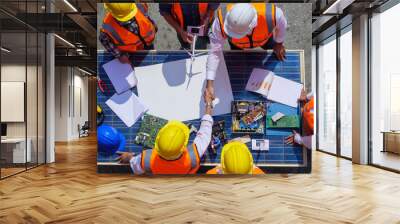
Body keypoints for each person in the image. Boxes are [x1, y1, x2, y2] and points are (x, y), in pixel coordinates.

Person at [117, 90, 215, 174]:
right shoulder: (193, 155)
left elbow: (135, 166)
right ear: (183, 146)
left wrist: (129, 158)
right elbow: (206, 129)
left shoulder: (146, 160)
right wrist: (208, 103)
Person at [205, 3, 287, 98]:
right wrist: (209, 84)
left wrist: (279, 43)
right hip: (237, 45)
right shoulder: (220, 22)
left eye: (237, 33)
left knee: (270, 51)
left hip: (264, 40)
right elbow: (215, 52)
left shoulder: (274, 15)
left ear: (252, 25)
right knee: (238, 64)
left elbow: (282, 27)